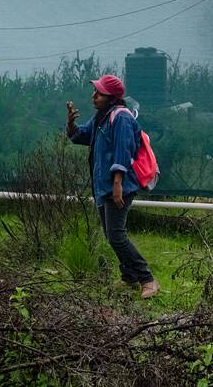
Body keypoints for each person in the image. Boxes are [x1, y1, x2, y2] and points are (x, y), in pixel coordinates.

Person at [66, 74, 159, 299]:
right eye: (95, 91)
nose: (94, 96)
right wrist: (70, 124)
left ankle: (147, 279)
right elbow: (80, 136)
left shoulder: (121, 118)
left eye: (99, 93)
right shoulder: (101, 117)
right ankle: (129, 278)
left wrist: (117, 183)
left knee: (117, 235)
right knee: (112, 235)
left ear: (111, 97)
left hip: (119, 187)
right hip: (104, 187)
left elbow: (123, 151)